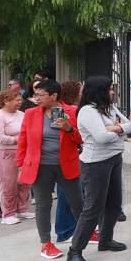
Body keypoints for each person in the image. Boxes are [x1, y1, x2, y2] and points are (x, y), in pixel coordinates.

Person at [66, 76, 131, 261]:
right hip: (95, 163)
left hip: (114, 159)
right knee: (93, 208)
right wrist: (119, 129)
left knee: (114, 203)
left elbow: (130, 125)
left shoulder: (109, 107)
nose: (113, 92)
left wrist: (115, 127)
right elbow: (101, 138)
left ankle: (105, 240)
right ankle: (75, 252)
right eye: (110, 89)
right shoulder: (87, 111)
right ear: (99, 91)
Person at [16, 80, 85, 258]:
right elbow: (23, 140)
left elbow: (81, 139)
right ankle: (46, 243)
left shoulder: (70, 111)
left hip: (66, 164)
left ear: (54, 96)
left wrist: (69, 129)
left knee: (77, 201)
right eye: (35, 94)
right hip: (40, 166)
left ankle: (86, 232)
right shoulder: (31, 113)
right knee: (43, 204)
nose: (36, 98)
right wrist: (20, 165)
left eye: (40, 95)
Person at [0, 89, 32, 224]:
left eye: (20, 100)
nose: (20, 102)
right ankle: (8, 213)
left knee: (24, 182)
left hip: (23, 151)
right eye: (17, 100)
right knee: (8, 184)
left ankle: (22, 208)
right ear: (6, 101)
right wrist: (18, 139)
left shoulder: (21, 114)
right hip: (6, 153)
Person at [54, 80, 83, 243]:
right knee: (68, 195)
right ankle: (65, 231)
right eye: (81, 90)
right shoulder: (70, 110)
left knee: (70, 194)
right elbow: (78, 137)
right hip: (69, 157)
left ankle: (68, 230)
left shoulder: (69, 109)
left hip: (68, 157)